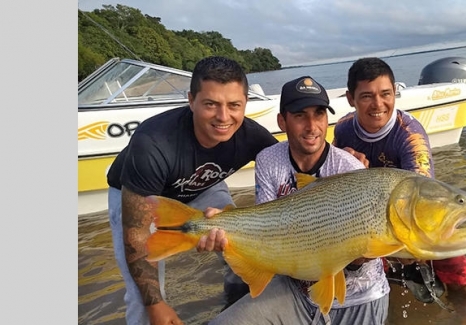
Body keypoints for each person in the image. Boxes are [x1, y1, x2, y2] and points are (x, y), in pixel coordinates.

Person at [203, 76, 390, 325]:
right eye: (300, 115)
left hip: (359, 295)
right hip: (295, 290)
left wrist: (355, 256)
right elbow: (266, 230)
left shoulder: (350, 168)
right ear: (282, 121)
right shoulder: (268, 160)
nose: (312, 126)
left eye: (319, 114)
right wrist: (226, 228)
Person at [106, 56, 278, 325]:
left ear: (245, 103)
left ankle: (233, 308)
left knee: (243, 251)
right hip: (138, 195)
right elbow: (137, 236)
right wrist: (157, 305)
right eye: (211, 104)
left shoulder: (253, 136)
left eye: (234, 105)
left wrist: (343, 155)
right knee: (144, 298)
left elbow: (293, 164)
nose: (224, 117)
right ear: (191, 100)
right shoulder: (153, 142)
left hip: (204, 186)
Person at [332, 57, 466, 303]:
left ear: (395, 93)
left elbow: (422, 197)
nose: (378, 104)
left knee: (457, 269)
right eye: (367, 96)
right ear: (350, 99)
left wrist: (411, 247)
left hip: (405, 217)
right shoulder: (343, 129)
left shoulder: (410, 135)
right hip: (366, 219)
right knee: (372, 276)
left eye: (386, 94)